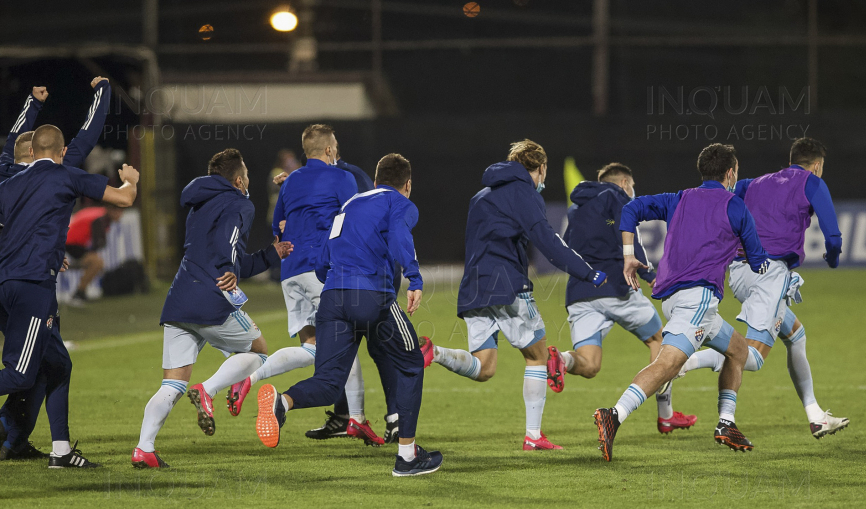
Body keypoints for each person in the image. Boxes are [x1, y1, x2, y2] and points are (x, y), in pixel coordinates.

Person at [254, 153, 442, 477]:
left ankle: (282, 403)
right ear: (407, 185)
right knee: (412, 361)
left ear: (376, 176)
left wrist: (337, 285)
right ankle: (407, 456)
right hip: (369, 295)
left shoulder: (349, 205)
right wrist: (415, 277)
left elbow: (324, 257)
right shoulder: (399, 203)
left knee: (327, 382)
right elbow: (400, 236)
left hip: (331, 299)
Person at [420, 140, 607, 451]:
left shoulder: (481, 196)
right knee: (537, 356)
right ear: (541, 168)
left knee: (484, 368)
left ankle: (435, 352)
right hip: (507, 285)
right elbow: (548, 242)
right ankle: (533, 436)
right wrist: (588, 272)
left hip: (474, 287)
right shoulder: (525, 194)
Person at [593, 143, 770, 462]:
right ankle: (614, 415)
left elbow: (630, 210)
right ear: (730, 173)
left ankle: (726, 423)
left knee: (739, 352)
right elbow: (758, 261)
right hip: (698, 300)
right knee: (667, 365)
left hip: (673, 298)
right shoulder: (735, 206)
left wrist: (629, 257)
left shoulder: (678, 198)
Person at [676, 138, 848, 438]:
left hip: (741, 271)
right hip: (770, 275)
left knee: (796, 335)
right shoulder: (813, 183)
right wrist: (832, 260)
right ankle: (683, 362)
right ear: (817, 165)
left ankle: (815, 414)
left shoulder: (751, 183)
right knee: (752, 357)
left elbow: (722, 206)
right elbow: (832, 237)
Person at [131, 149, 292, 468]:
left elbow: (234, 258)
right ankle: (207, 390)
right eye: (245, 175)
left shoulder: (199, 200)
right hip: (213, 293)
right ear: (238, 179)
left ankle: (143, 448)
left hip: (180, 295)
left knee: (173, 383)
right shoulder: (241, 203)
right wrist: (227, 266)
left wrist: (270, 254)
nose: (247, 181)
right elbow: (230, 250)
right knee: (259, 352)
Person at [228, 125, 383, 446]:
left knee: (312, 348)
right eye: (335, 146)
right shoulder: (342, 178)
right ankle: (356, 419)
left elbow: (278, 228)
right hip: (320, 269)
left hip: (291, 272)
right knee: (346, 343)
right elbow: (355, 217)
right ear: (329, 150)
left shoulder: (291, 179)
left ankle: (250, 379)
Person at [0, 124, 138, 468]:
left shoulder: (11, 184)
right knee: (20, 375)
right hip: (33, 287)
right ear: (62, 152)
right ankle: (34, 443)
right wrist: (131, 178)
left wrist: (48, 250)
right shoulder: (65, 175)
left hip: (6, 282)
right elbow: (124, 199)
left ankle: (60, 451)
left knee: (59, 365)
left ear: (31, 152)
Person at [546, 163, 697, 434]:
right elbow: (627, 232)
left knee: (589, 364)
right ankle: (666, 415)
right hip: (617, 286)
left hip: (581, 293)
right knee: (660, 341)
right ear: (625, 182)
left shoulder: (575, 208)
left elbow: (567, 248)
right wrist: (649, 274)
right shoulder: (616, 196)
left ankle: (563, 360)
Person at [64, 204, 124, 305]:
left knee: (96, 262)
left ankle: (80, 289)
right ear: (111, 210)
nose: (121, 214)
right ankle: (79, 293)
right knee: (97, 263)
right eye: (119, 211)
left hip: (73, 242)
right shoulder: (101, 218)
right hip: (71, 243)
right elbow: (98, 243)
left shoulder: (101, 214)